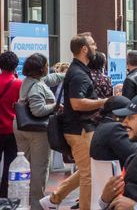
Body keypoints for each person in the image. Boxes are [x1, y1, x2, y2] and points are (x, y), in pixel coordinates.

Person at [40, 33, 107, 210]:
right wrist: (104, 101)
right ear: (84, 49)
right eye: (93, 44)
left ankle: (55, 198)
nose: (95, 47)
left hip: (80, 129)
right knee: (88, 175)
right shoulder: (78, 73)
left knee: (87, 171)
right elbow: (77, 103)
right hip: (80, 130)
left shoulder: (79, 71)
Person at [13, 54, 64, 210]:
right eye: (47, 64)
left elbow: (52, 78)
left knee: (25, 166)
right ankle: (37, 205)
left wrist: (67, 74)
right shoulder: (37, 86)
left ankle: (23, 202)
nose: (49, 67)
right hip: (36, 131)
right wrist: (55, 107)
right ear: (41, 68)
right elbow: (38, 110)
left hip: (21, 127)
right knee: (39, 169)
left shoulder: (30, 81)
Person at [90, 96, 137, 168]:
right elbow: (136, 155)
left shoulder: (103, 126)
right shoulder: (115, 129)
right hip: (120, 176)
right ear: (116, 115)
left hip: (108, 176)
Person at [0, 51, 22, 198]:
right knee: (9, 164)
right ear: (16, 65)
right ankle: (4, 195)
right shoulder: (18, 83)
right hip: (12, 130)